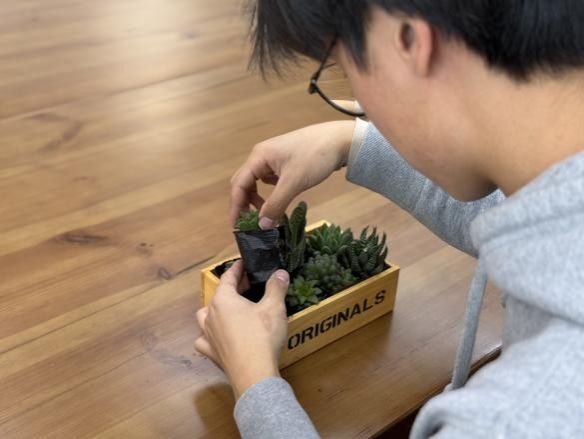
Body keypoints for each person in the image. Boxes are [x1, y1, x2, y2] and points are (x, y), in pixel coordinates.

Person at [195, 1, 584, 437]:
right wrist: (350, 141)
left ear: (410, 41)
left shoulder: (516, 418)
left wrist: (255, 383)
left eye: (344, 70)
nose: (361, 104)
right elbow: (514, 220)